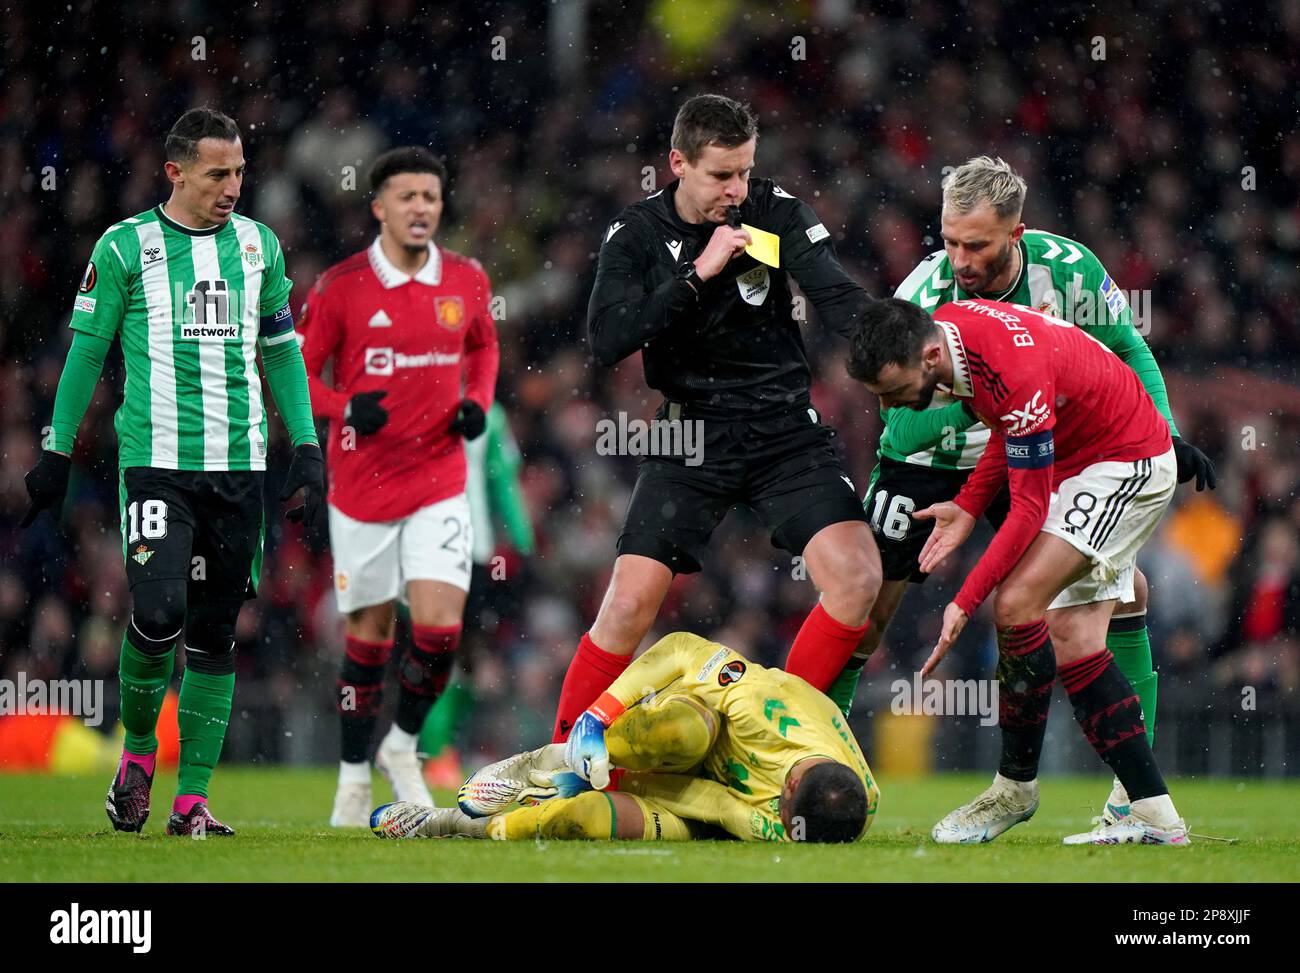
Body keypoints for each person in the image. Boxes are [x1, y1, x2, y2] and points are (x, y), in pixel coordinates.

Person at [831, 156, 1216, 827]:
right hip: (933, 455)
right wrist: (1001, 392)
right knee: (866, 603)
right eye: (949, 240)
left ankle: (1118, 794)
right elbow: (902, 414)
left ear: (1018, 233)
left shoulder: (1068, 270)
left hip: (1033, 448)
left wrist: (1165, 429)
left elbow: (1128, 348)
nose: (959, 259)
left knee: (1119, 595)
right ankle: (821, 763)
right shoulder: (923, 293)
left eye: (975, 245)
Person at [22, 107, 324, 836]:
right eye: (218, 173)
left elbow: (281, 350)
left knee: (216, 635)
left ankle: (192, 801)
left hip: (238, 468)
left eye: (241, 172)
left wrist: (307, 448)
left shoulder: (259, 247)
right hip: (157, 465)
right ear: (176, 172)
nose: (233, 186)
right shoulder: (126, 247)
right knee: (157, 615)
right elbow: (87, 352)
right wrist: (57, 452)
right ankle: (136, 753)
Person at [550, 93, 881, 744]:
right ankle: (558, 760)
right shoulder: (639, 235)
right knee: (626, 605)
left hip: (784, 428)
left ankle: (775, 745)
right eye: (722, 174)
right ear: (678, 162)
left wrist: (895, 345)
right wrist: (697, 276)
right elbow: (607, 337)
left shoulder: (775, 215)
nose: (738, 189)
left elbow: (837, 297)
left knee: (859, 577)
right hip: (690, 432)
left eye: (746, 172)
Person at [848, 297, 1189, 845]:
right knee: (1074, 637)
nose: (890, 406)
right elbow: (1006, 430)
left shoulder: (1006, 364)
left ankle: (1015, 787)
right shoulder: (955, 335)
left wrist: (965, 598)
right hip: (1088, 464)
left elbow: (1028, 508)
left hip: (1126, 463)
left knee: (1014, 604)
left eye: (893, 390)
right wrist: (966, 505)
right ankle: (1150, 811)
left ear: (931, 355)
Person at [296, 147, 499, 826]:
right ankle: (354, 774)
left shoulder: (467, 279)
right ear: (378, 205)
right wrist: (345, 407)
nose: (420, 208)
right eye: (406, 196)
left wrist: (479, 400)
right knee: (371, 631)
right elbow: (296, 373)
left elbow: (484, 345)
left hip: (440, 479)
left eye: (431, 197)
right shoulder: (343, 285)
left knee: (440, 628)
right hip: (361, 487)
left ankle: (403, 746)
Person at [371, 631, 878, 843]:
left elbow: (717, 804)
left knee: (581, 817)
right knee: (686, 731)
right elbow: (682, 648)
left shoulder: (830, 819)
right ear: (788, 790)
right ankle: (548, 759)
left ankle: (445, 823)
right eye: (782, 819)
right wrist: (597, 718)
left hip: (703, 800)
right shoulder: (758, 708)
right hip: (690, 733)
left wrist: (614, 789)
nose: (779, 827)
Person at [419, 401, 536, 788]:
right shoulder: (487, 412)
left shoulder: (484, 412)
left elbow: (500, 478)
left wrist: (520, 537)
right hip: (452, 551)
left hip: (451, 551)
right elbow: (502, 479)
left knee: (463, 659)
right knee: (449, 655)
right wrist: (522, 538)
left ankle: (435, 747)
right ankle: (432, 751)